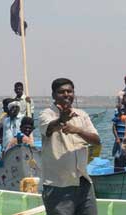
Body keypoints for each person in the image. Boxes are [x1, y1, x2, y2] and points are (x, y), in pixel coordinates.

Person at [39, 78, 100, 215]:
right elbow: (49, 128)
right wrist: (62, 119)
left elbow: (96, 140)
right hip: (58, 185)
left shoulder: (82, 115)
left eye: (69, 91)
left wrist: (78, 130)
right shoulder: (46, 114)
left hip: (83, 183)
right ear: (54, 95)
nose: (66, 94)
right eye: (61, 92)